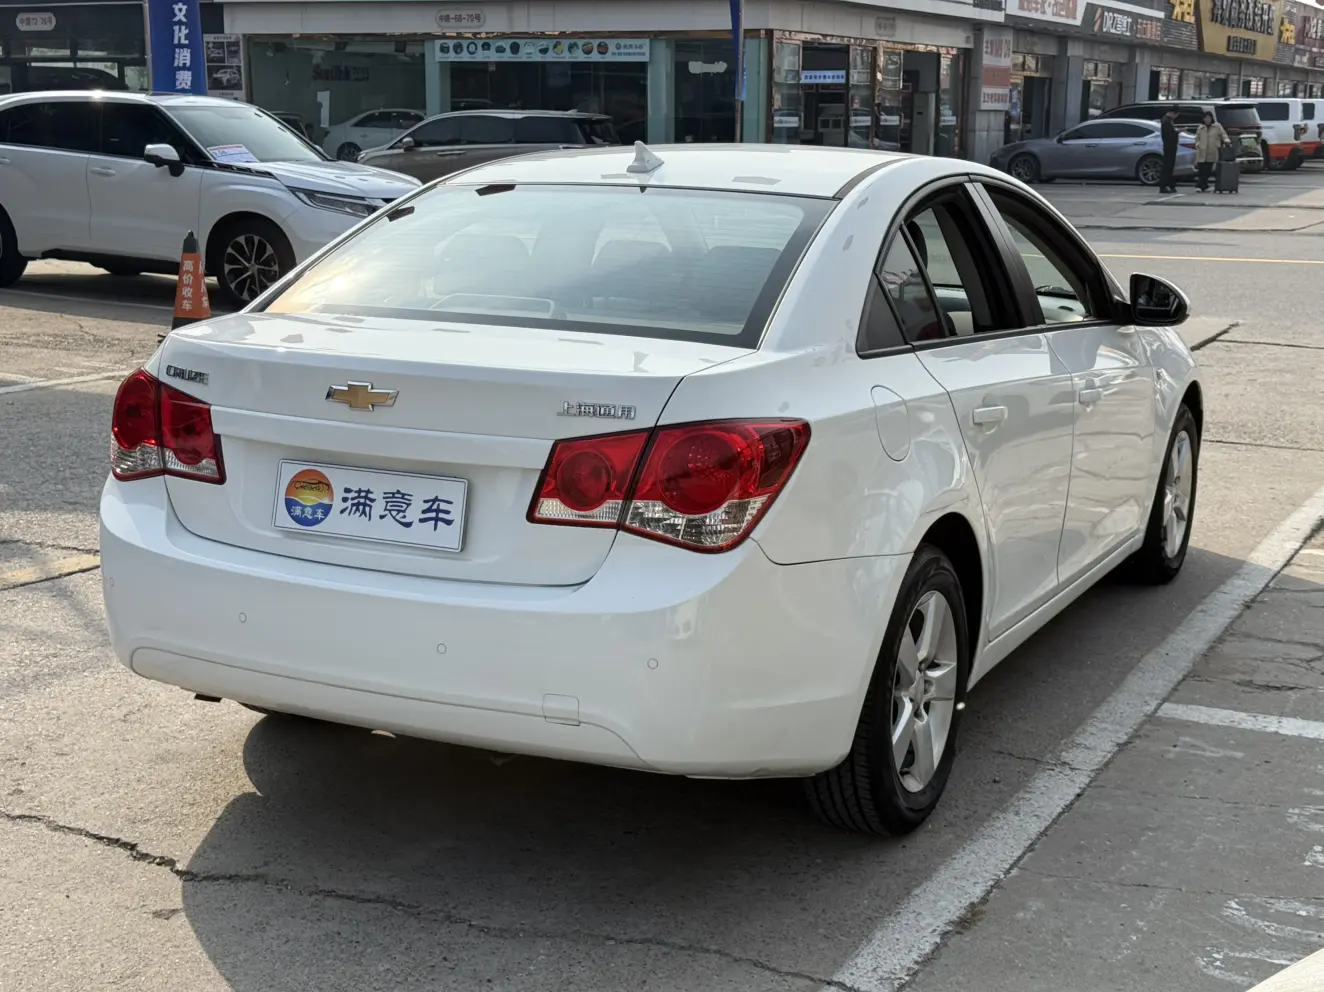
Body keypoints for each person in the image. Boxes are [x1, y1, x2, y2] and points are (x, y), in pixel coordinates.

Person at [1194, 110, 1230, 192]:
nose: (1207, 119)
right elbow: (1197, 138)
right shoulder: (1200, 128)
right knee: (1201, 169)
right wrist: (1197, 144)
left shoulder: (1217, 126)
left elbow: (1223, 134)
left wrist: (1226, 140)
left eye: (1209, 118)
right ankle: (1201, 186)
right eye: (1205, 118)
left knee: (1208, 169)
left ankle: (1202, 185)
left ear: (1211, 118)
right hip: (1202, 151)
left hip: (1212, 151)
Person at [1159, 107, 1180, 193]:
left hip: (1171, 146)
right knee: (1167, 166)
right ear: (1172, 113)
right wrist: (1177, 132)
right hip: (1169, 146)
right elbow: (1169, 135)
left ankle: (1170, 185)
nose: (1176, 117)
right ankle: (1164, 185)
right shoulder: (1166, 121)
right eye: (1176, 115)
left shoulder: (1168, 120)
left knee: (1170, 166)